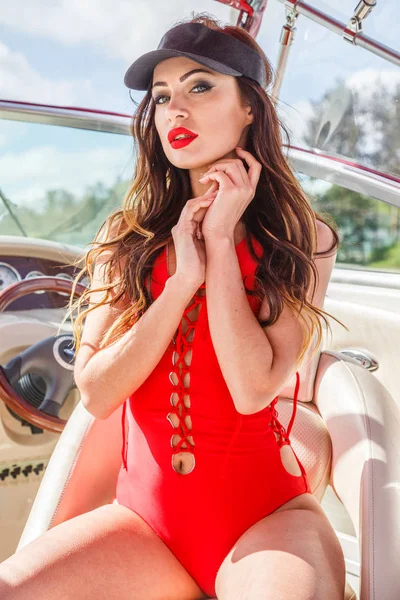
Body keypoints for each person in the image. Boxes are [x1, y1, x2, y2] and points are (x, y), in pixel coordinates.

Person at [0, 13, 346, 600]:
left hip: (265, 520)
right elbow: (101, 391)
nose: (175, 110)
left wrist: (218, 240)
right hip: (145, 524)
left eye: (200, 86)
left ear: (251, 108)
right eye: (162, 97)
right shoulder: (125, 238)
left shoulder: (302, 237)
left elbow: (252, 388)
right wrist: (180, 283)